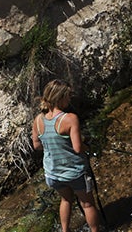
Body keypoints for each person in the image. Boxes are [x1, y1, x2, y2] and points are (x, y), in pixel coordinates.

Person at [32, 79, 100, 232]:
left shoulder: (38, 120)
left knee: (66, 199)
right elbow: (77, 148)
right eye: (68, 96)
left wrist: (55, 147)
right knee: (87, 204)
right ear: (60, 98)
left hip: (52, 173)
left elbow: (36, 145)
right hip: (74, 172)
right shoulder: (70, 119)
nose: (70, 99)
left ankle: (65, 230)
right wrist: (88, 146)